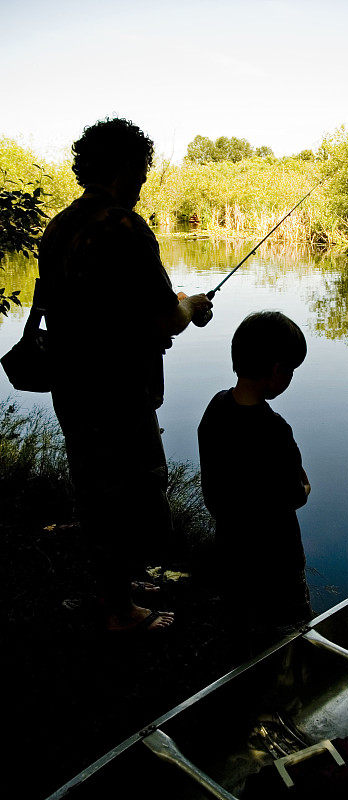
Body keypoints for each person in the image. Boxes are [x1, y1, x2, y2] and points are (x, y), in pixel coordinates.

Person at [38, 118, 212, 632]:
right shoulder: (125, 227)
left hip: (71, 385)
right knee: (134, 494)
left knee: (95, 490)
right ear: (122, 168)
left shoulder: (59, 227)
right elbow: (163, 319)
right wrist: (193, 305)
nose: (142, 181)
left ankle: (114, 587)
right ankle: (121, 612)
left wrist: (166, 306)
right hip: (120, 390)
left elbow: (92, 304)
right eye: (140, 169)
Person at [197, 311, 312, 651]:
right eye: (290, 371)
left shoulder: (215, 408)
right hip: (276, 559)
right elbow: (295, 492)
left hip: (231, 547)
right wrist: (304, 486)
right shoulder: (274, 429)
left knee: (240, 621)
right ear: (278, 371)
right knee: (289, 628)